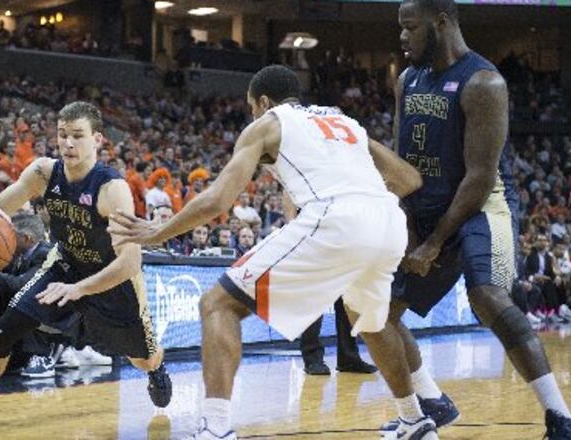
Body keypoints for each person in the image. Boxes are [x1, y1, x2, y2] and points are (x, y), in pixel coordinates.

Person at [110, 65, 427, 439]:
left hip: (337, 217)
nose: (251, 116)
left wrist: (158, 231)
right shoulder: (344, 122)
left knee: (218, 304)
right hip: (387, 220)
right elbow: (409, 180)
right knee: (371, 322)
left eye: (251, 108)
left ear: (262, 101)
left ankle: (215, 428)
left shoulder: (268, 123)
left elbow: (218, 200)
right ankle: (414, 420)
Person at [380, 0, 571, 438]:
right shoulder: (408, 81)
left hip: (483, 205)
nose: (401, 37)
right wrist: (411, 227)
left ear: (441, 23)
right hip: (427, 205)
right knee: (379, 312)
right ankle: (432, 402)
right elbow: (400, 163)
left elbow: (479, 177)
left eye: (409, 27)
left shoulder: (484, 82)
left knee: (488, 295)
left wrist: (434, 242)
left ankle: (561, 418)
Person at [0, 101, 172, 428]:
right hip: (65, 265)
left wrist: (79, 289)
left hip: (113, 280)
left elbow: (129, 262)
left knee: (142, 357)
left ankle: (156, 370)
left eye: (77, 135)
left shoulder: (112, 189)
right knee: (2, 332)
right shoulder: (44, 172)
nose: (67, 143)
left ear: (98, 139)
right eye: (62, 135)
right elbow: (9, 199)